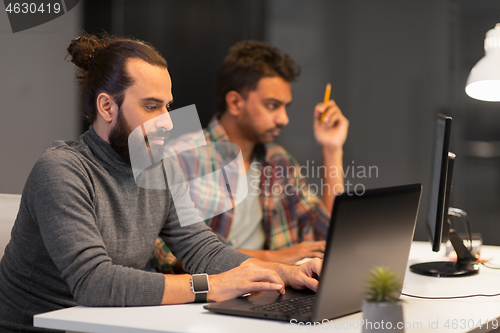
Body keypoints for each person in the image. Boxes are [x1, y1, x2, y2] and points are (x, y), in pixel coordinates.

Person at [0, 34, 321, 333]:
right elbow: (93, 281)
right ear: (107, 106)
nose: (168, 120)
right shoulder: (61, 169)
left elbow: (201, 247)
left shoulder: (160, 166)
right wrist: (213, 285)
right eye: (151, 106)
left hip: (109, 321)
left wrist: (283, 271)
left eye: (167, 106)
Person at [150, 40, 349, 271]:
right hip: (210, 295)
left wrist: (332, 149)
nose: (283, 119)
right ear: (235, 103)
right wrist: (270, 257)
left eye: (286, 107)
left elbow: (323, 235)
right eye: (272, 105)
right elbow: (164, 252)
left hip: (274, 288)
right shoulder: (181, 157)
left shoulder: (279, 161)